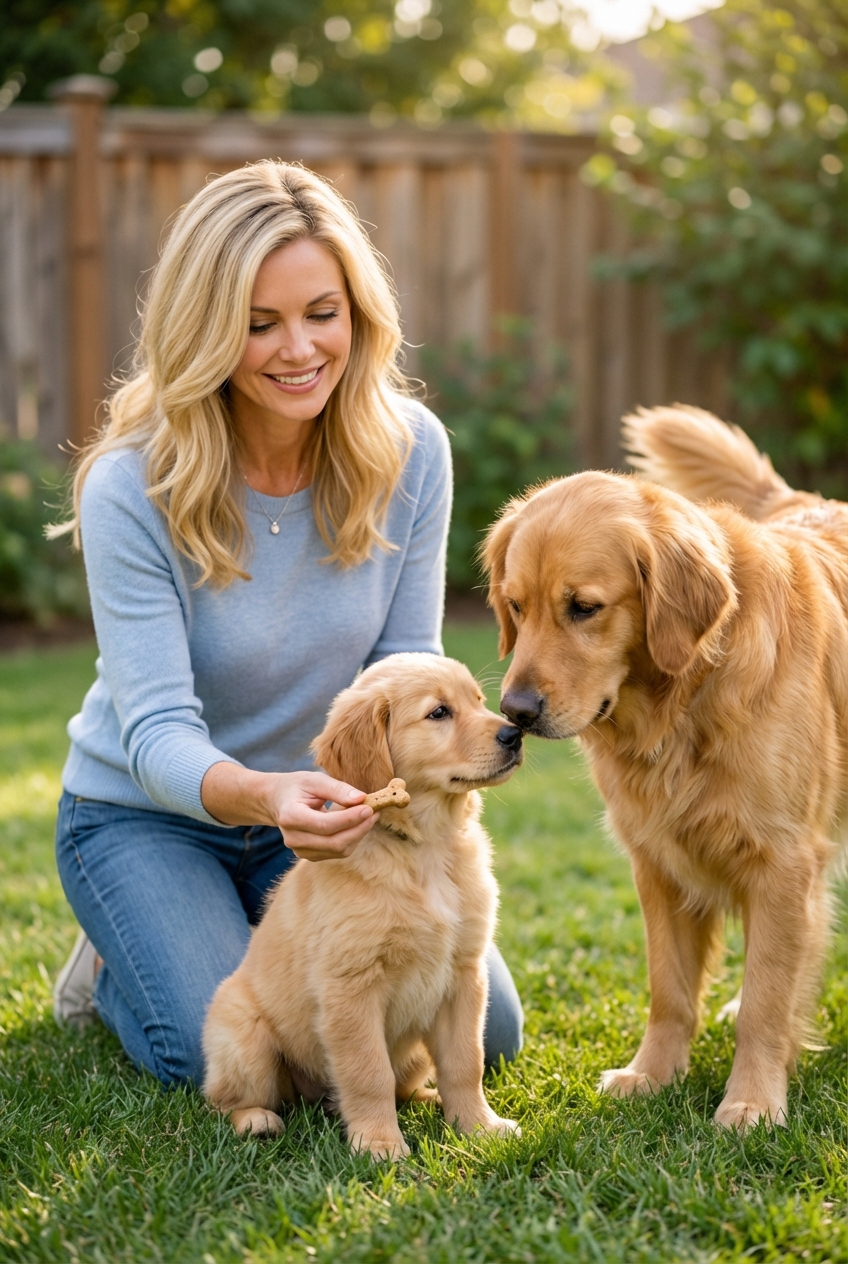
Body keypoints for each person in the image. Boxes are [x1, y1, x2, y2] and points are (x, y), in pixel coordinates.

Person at [52, 160, 523, 1088]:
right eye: (258, 324)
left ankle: (214, 917)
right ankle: (119, 953)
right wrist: (268, 798)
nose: (298, 348)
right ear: (205, 332)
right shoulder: (131, 485)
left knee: (479, 1032)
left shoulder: (411, 451)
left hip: (335, 805)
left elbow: (405, 664)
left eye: (322, 312)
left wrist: (379, 792)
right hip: (148, 815)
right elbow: (154, 730)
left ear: (359, 311)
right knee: (218, 1048)